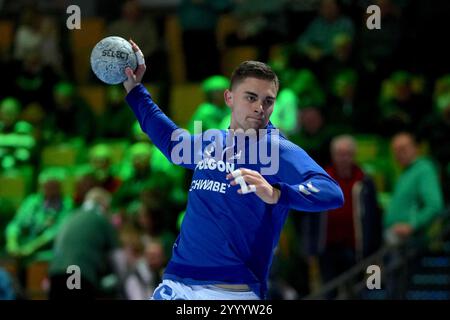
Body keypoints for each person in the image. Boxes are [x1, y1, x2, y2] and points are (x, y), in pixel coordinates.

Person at [122, 40, 344, 300]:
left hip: (231, 290)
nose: (260, 107)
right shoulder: (210, 140)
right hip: (178, 282)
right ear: (229, 97)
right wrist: (135, 89)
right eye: (251, 97)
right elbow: (171, 142)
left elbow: (332, 192)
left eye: (268, 101)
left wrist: (276, 193)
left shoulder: (276, 148)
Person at [48, 188, 120, 299]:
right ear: (104, 205)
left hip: (55, 274)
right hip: (76, 274)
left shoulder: (70, 216)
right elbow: (117, 256)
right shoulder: (101, 219)